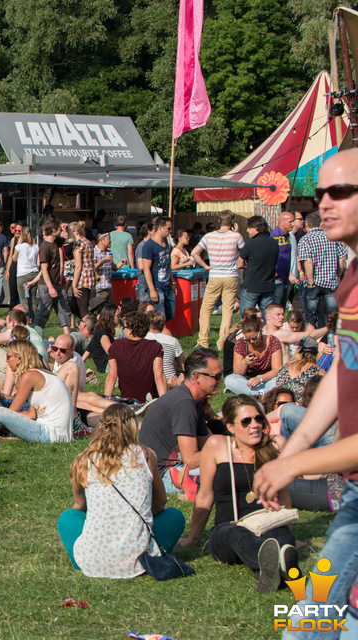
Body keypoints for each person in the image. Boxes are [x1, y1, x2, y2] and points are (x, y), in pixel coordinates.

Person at [254, 149, 358, 637]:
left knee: (312, 624)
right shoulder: (352, 280)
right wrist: (287, 453)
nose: (325, 204)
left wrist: (292, 466)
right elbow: (343, 371)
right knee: (313, 621)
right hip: (354, 491)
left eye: (341, 191)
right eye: (321, 194)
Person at [178, 395, 298, 593]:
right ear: (231, 426)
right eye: (246, 421)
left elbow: (283, 496)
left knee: (280, 534)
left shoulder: (275, 446)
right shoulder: (217, 445)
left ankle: (268, 572)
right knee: (237, 535)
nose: (255, 425)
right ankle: (274, 560)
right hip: (229, 527)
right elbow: (205, 495)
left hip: (267, 522)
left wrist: (291, 533)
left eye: (259, 419)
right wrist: (193, 538)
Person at [58, 404, 185, 577]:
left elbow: (80, 504)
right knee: (174, 516)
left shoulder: (84, 459)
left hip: (93, 560)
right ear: (132, 426)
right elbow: (161, 502)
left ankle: (92, 552)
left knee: (68, 517)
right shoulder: (145, 455)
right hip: (141, 559)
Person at [139, 348, 219, 496]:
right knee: (226, 473)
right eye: (217, 376)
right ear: (197, 378)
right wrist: (228, 454)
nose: (220, 380)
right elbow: (191, 459)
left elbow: (208, 442)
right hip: (165, 476)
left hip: (176, 468)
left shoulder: (194, 400)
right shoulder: (184, 403)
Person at [0, 339, 73, 443]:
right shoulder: (40, 373)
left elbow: (9, 413)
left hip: (50, 434)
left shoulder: (29, 376)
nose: (6, 360)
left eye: (8, 356)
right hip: (61, 435)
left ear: (19, 358)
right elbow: (31, 414)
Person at [192, 210, 245, 350]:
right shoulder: (236, 236)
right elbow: (243, 253)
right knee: (228, 309)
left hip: (215, 275)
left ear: (219, 221)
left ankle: (203, 340)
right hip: (231, 276)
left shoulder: (209, 236)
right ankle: (222, 341)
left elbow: (194, 253)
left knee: (206, 309)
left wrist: (205, 266)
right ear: (232, 222)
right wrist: (237, 232)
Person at [298, 210, 348, 329]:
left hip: (314, 282)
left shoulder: (305, 239)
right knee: (333, 314)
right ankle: (333, 337)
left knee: (311, 315)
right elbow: (342, 259)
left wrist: (310, 282)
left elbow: (308, 261)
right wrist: (338, 276)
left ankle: (313, 340)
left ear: (306, 224)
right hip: (331, 281)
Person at [104, 311, 166, 403]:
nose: (122, 330)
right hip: (152, 399)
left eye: (123, 327)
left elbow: (111, 376)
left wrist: (105, 402)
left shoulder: (116, 346)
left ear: (130, 331)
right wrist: (164, 403)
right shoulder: (155, 346)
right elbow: (159, 376)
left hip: (128, 400)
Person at [224, 314, 282, 396]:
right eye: (247, 339)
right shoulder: (241, 343)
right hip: (248, 380)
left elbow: (277, 370)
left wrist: (260, 378)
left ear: (260, 331)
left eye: (254, 338)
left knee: (278, 381)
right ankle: (263, 393)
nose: (251, 341)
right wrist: (245, 363)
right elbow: (237, 372)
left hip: (268, 378)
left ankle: (256, 392)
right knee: (229, 379)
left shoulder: (273, 341)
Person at [35, 217, 73, 332]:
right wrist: (51, 288)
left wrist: (68, 228)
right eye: (59, 228)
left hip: (57, 283)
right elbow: (44, 269)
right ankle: (37, 334)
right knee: (44, 311)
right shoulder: (45, 246)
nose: (61, 230)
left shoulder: (57, 242)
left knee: (64, 309)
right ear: (52, 229)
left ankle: (67, 335)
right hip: (47, 285)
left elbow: (71, 239)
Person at [238, 215, 279, 315]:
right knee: (267, 318)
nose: (247, 230)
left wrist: (246, 265)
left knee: (247, 318)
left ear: (256, 229)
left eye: (249, 228)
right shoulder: (274, 243)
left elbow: (239, 264)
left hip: (252, 286)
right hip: (268, 286)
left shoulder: (250, 244)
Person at [137, 216, 174, 321]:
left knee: (171, 312)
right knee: (159, 315)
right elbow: (146, 268)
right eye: (168, 228)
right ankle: (157, 334)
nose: (170, 231)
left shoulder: (165, 243)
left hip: (167, 284)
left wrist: (173, 282)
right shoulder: (149, 245)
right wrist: (152, 290)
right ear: (160, 228)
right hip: (156, 286)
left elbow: (168, 264)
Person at [145, 311, 185, 385]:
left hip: (147, 381)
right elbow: (183, 366)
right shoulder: (173, 341)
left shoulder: (142, 340)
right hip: (170, 381)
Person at [271, 211, 300, 309]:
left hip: (285, 279)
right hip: (277, 280)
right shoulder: (274, 236)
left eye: (293, 221)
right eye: (290, 222)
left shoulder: (289, 236)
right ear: (281, 222)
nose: (293, 224)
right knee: (275, 309)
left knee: (281, 310)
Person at [11, 226, 40, 323]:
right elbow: (38, 262)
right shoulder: (36, 247)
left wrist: (18, 244)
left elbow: (14, 259)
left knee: (24, 301)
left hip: (23, 274)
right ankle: (35, 320)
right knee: (33, 300)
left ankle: (26, 321)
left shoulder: (19, 247)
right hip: (34, 273)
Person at [70, 221, 97, 319]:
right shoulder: (87, 241)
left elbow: (78, 266)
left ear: (75, 232)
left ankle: (89, 325)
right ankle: (86, 322)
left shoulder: (78, 244)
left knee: (82, 309)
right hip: (89, 277)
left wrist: (74, 285)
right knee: (74, 306)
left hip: (83, 279)